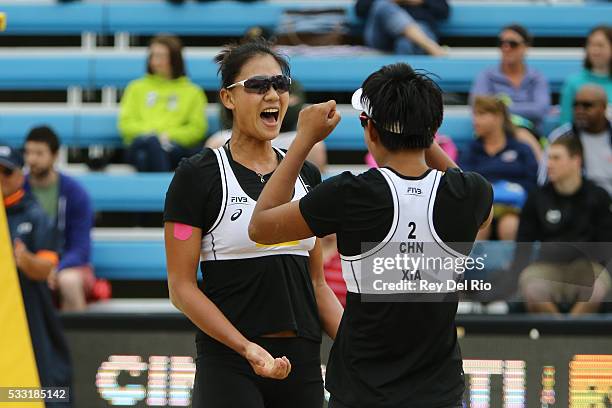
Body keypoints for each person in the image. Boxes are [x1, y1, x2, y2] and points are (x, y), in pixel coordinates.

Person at [249, 63, 493, 408]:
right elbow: (484, 216)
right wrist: (420, 131)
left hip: (361, 393)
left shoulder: (352, 193)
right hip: (439, 394)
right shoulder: (471, 193)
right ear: (433, 128)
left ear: (371, 131)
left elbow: (260, 226)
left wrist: (304, 139)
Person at [164, 40, 343, 408]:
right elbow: (181, 289)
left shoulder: (307, 173)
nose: (272, 94)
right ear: (228, 98)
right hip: (231, 362)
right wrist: (247, 348)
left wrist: (360, 348)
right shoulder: (199, 175)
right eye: (258, 85)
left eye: (279, 84)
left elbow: (317, 282)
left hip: (302, 363)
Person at [0, 145, 72, 406]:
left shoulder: (35, 215)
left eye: (6, 171)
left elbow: (45, 268)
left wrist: (24, 259)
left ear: (21, 176)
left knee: (42, 381)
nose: (1, 178)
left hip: (29, 310)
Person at [517, 135, 612, 315]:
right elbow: (523, 243)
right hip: (547, 266)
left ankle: (571, 334)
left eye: (556, 158)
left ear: (576, 161)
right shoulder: (537, 197)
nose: (549, 164)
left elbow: (607, 245)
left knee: (598, 288)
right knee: (531, 288)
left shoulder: (598, 196)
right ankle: (559, 334)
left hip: (587, 266)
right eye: (548, 158)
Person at [23, 126, 98, 311]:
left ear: (55, 155)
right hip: (26, 263)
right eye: (28, 152)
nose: (32, 159)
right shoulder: (17, 188)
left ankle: (76, 340)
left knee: (69, 281)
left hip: (66, 266)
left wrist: (54, 269)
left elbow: (81, 249)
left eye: (39, 153)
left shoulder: (75, 193)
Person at [118, 34, 208, 172]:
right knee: (147, 147)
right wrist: (153, 136)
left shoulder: (193, 91)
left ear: (174, 58)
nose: (155, 61)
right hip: (140, 143)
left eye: (161, 56)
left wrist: (167, 136)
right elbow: (125, 125)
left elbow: (197, 129)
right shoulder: (135, 88)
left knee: (144, 157)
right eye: (152, 56)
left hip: (173, 148)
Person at [459, 96, 538, 241]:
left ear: (498, 117)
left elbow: (532, 182)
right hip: (480, 207)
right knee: (477, 228)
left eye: (481, 114)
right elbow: (463, 182)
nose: (475, 120)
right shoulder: (470, 150)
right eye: (474, 115)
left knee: (510, 226)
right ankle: (472, 264)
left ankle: (512, 264)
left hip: (514, 207)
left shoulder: (521, 149)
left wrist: (512, 189)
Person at [206, 80, 328, 171]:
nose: (273, 96)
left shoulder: (290, 82)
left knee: (315, 147)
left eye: (279, 86)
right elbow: (227, 117)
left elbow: (292, 115)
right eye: (255, 86)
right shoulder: (234, 82)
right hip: (240, 136)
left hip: (284, 135)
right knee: (216, 143)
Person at [470, 24, 551, 146]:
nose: (506, 47)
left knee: (522, 134)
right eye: (501, 43)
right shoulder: (486, 76)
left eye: (513, 44)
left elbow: (540, 110)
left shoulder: (536, 77)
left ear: (526, 47)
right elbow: (478, 107)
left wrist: (501, 108)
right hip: (493, 135)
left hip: (529, 134)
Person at [542, 84, 612, 195]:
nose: (580, 110)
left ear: (603, 107)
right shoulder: (560, 137)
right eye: (576, 105)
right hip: (575, 204)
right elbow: (544, 181)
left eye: (587, 105)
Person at [355, 0, 449, 56]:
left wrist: (422, 1)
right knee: (383, 5)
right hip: (382, 36)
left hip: (420, 30)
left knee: (405, 43)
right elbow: (360, 9)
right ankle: (430, 46)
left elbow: (444, 11)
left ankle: (400, 87)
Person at [559, 25, 611, 126]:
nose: (595, 51)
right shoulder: (573, 82)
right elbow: (565, 123)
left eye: (601, 45)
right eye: (591, 45)